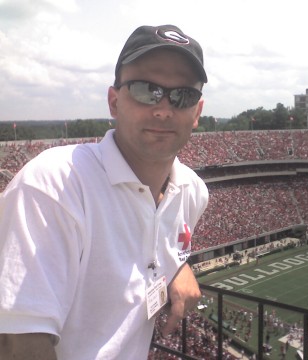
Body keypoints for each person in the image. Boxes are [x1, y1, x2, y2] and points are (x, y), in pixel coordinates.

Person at [0, 24, 209, 359]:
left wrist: (179, 266)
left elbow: (153, 247)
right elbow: (17, 343)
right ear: (114, 101)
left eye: (182, 95)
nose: (163, 108)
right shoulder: (53, 183)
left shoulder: (192, 192)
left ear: (197, 112)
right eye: (146, 90)